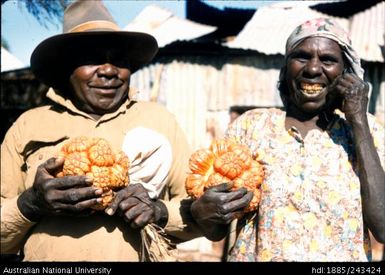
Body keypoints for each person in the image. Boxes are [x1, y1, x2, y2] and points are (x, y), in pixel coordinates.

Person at [1, 0, 198, 261]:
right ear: (66, 67)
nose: (108, 70)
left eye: (118, 59)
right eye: (91, 59)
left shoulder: (160, 122)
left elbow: (200, 216)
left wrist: (158, 211)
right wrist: (32, 203)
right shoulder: (28, 126)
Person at [190, 18, 385, 261]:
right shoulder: (251, 127)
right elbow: (217, 227)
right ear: (286, 68)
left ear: (346, 74)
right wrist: (202, 212)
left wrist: (357, 120)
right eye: (302, 57)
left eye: (328, 60)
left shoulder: (368, 132)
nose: (313, 69)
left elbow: (382, 227)